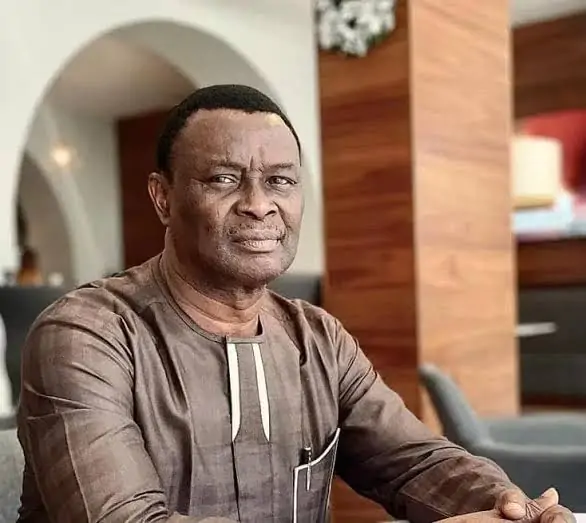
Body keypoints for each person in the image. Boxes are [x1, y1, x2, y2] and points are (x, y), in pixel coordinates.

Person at [16, 85, 574, 523]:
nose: (259, 205)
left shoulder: (318, 338)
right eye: (224, 179)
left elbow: (415, 461)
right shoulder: (87, 336)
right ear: (163, 197)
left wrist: (511, 507)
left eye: (280, 181)